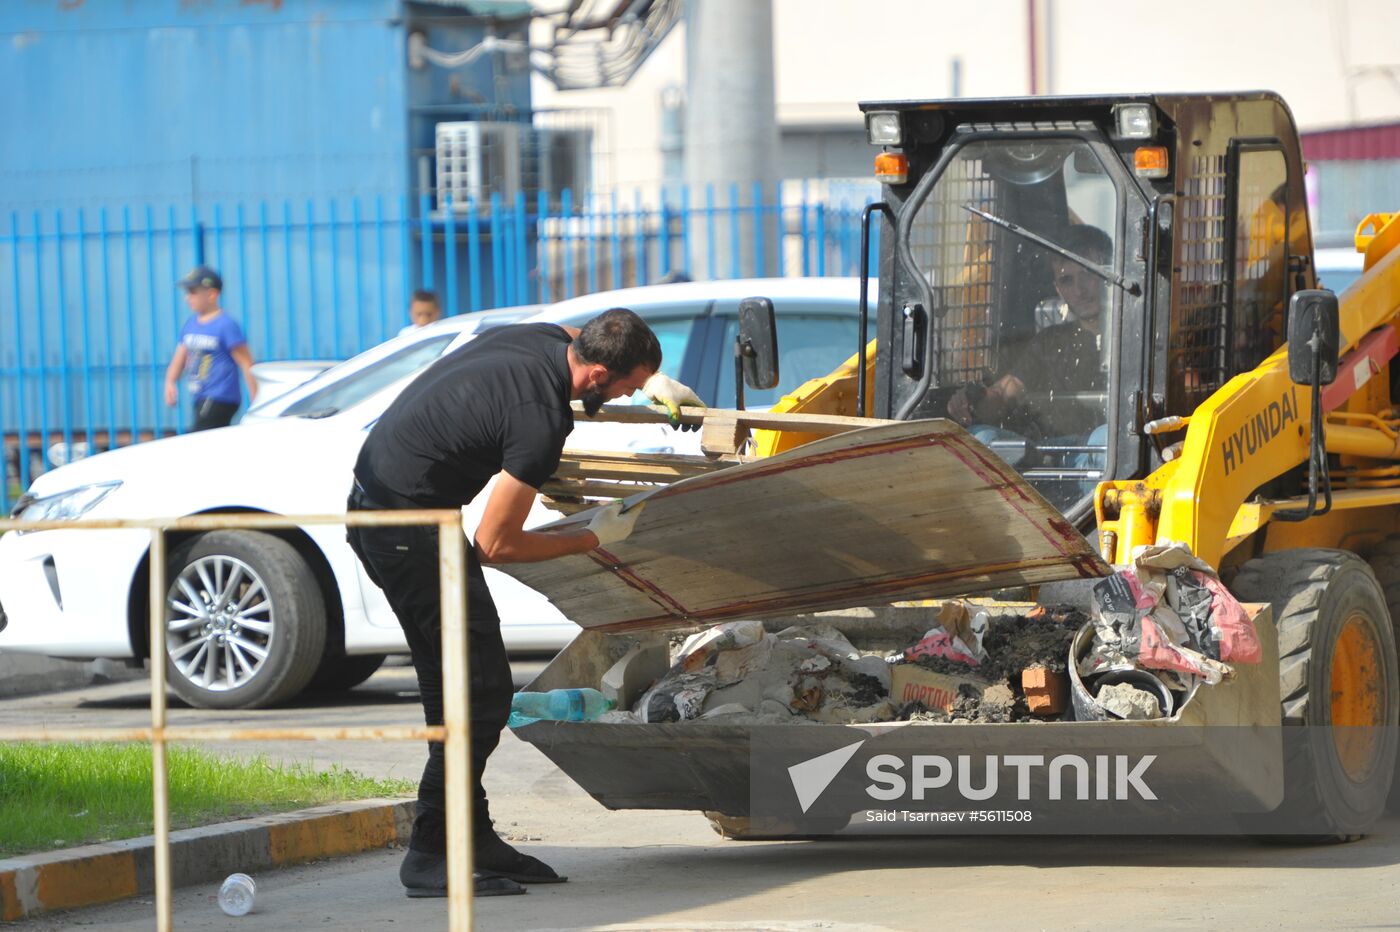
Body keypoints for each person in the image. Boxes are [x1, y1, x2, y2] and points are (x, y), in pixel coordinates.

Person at [345, 308, 703, 898]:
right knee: (481, 695)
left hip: (394, 509)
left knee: (459, 688)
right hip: (405, 531)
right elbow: (496, 544)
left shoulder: (545, 341)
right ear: (595, 378)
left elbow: (580, 333)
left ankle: (471, 836)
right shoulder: (541, 421)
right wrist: (594, 536)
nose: (630, 396)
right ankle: (430, 854)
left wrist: (656, 378)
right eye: (630, 388)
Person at [948, 224, 1112, 445]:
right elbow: (1004, 394)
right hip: (1053, 456)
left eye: (1088, 274)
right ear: (1057, 289)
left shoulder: (1134, 338)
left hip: (1108, 462)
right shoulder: (1049, 342)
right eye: (1067, 280)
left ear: (1109, 274)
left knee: (1104, 439)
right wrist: (971, 402)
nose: (1080, 289)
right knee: (981, 438)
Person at [163, 265, 258, 431]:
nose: (187, 298)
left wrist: (256, 397)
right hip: (200, 396)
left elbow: (246, 363)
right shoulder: (191, 324)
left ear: (212, 294)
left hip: (221, 397)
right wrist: (170, 381)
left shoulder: (226, 325)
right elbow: (180, 356)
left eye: (193, 292)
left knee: (196, 438)